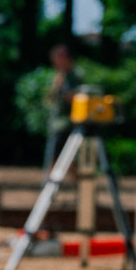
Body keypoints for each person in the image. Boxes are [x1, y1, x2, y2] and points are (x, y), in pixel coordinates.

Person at [42, 44, 81, 178]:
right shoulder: (60, 76)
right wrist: (54, 90)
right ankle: (53, 181)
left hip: (68, 122)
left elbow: (75, 100)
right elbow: (50, 100)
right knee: (67, 159)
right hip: (58, 122)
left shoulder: (74, 77)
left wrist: (63, 87)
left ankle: (49, 180)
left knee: (61, 155)